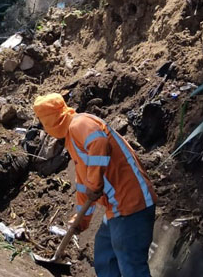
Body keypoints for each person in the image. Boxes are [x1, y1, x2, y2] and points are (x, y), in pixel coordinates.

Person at [33, 93, 157, 277]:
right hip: (115, 208)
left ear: (51, 121)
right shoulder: (72, 140)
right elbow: (85, 186)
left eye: (44, 124)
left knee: (131, 265)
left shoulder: (79, 124)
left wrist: (94, 181)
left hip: (131, 204)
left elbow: (99, 143)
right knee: (104, 256)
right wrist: (82, 220)